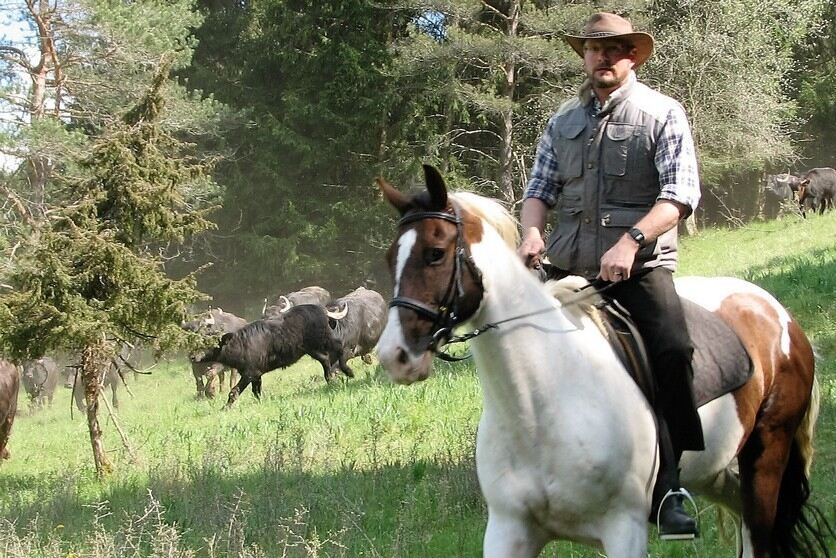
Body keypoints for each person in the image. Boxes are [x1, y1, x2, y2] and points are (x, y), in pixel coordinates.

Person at [517, 12, 704, 540]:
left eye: (614, 48)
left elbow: (680, 196)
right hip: (565, 269)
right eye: (594, 48)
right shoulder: (562, 122)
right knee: (513, 347)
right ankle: (524, 472)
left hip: (639, 269)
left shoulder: (663, 113)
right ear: (584, 56)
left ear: (633, 56)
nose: (602, 56)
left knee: (670, 350)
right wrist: (531, 234)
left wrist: (633, 241)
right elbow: (539, 193)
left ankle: (670, 485)